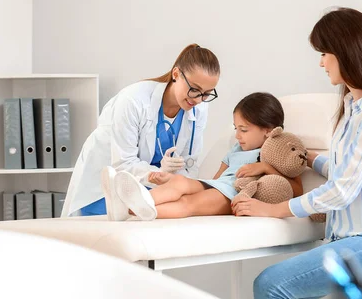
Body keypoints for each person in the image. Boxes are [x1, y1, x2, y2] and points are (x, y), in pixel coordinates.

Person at [232, 8, 362, 299]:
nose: (321, 62)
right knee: (273, 287)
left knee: (270, 286)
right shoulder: (352, 109)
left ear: (347, 51)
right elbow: (347, 171)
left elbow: (342, 190)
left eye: (325, 52)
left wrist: (273, 210)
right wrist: (306, 158)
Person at [60, 44, 220, 217]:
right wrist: (161, 174)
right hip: (106, 186)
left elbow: (189, 163)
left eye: (206, 94)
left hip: (151, 186)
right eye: (194, 89)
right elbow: (123, 163)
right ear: (176, 74)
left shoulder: (199, 108)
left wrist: (174, 178)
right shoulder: (133, 100)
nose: (198, 99)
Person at [103, 92, 305, 221]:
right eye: (236, 128)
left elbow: (296, 189)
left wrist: (264, 168)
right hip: (219, 186)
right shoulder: (236, 149)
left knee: (189, 205)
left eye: (243, 129)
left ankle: (134, 211)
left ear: (269, 130)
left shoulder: (274, 154)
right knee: (180, 183)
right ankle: (129, 204)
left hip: (233, 196)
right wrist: (186, 183)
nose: (237, 135)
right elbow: (217, 179)